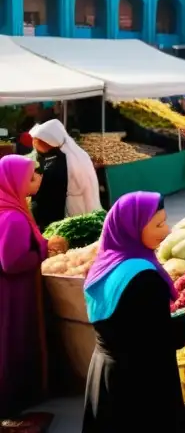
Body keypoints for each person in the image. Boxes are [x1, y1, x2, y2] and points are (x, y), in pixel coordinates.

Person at [82, 192, 185, 431]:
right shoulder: (143, 276)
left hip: (106, 374)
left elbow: (129, 326)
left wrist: (182, 314)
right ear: (132, 227)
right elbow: (153, 340)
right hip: (139, 385)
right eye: (158, 224)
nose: (166, 231)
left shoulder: (106, 265)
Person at [0, 155, 58, 419]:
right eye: (31, 177)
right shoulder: (12, 217)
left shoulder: (8, 207)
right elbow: (12, 262)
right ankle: (14, 397)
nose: (38, 179)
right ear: (15, 182)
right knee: (14, 339)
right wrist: (44, 251)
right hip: (14, 293)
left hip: (11, 290)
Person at [30, 119, 102, 222]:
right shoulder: (65, 154)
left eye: (38, 140)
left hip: (73, 208)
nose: (35, 143)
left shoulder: (68, 159)